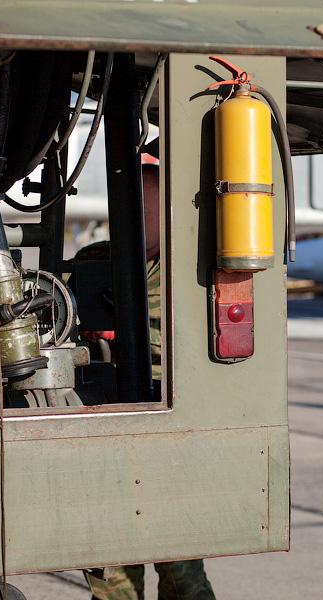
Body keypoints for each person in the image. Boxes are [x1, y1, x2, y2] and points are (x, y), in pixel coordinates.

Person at [84, 163, 215, 600]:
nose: (138, 214)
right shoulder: (94, 262)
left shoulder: (191, 268)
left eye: (148, 203)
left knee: (181, 568)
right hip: (101, 428)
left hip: (168, 431)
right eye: (130, 203)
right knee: (111, 573)